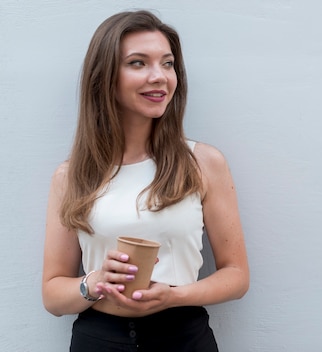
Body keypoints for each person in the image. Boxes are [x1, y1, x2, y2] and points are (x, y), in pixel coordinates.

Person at [41, 10, 249, 351]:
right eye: (139, 63)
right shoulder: (71, 176)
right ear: (105, 77)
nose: (160, 77)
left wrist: (173, 296)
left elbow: (237, 276)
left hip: (184, 336)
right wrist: (94, 283)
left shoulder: (203, 163)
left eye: (167, 64)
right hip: (99, 338)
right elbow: (52, 295)